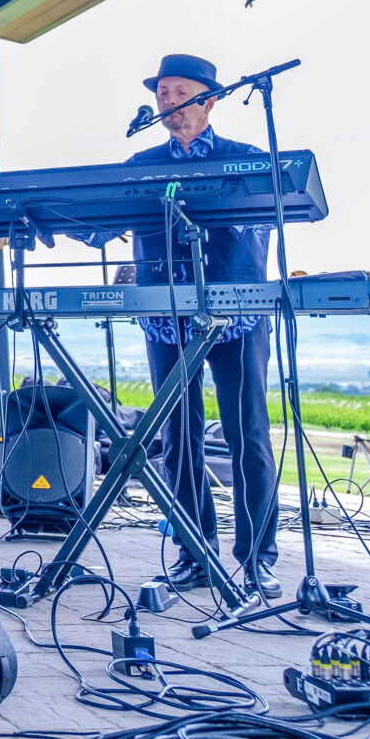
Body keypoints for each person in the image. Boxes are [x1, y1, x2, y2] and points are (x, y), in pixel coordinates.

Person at [123, 53, 280, 599]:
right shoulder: (141, 163)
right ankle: (194, 551)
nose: (167, 101)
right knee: (178, 441)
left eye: (177, 91)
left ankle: (258, 558)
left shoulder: (247, 158)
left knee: (248, 437)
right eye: (161, 92)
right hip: (167, 320)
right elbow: (97, 226)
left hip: (236, 317)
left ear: (209, 100)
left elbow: (270, 211)